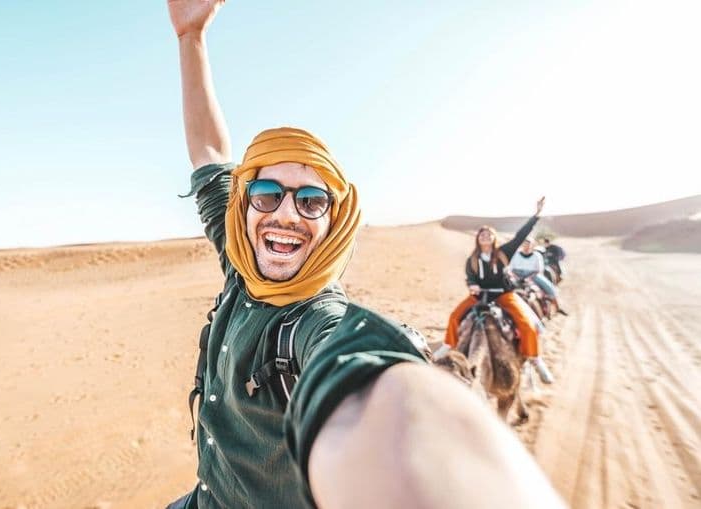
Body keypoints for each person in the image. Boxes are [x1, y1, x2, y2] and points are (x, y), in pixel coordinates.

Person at [166, 1, 564, 508]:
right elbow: (209, 155)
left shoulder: (314, 323)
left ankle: (535, 359)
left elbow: (366, 386)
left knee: (521, 318)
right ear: (243, 208)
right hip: (203, 499)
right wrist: (191, 38)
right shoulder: (241, 262)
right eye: (267, 194)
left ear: (334, 221)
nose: (285, 213)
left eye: (311, 201)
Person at [444, 205, 555, 384]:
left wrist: (536, 216)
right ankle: (448, 346)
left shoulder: (504, 253)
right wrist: (472, 285)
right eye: (482, 234)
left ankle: (536, 359)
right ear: (478, 239)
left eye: (489, 234)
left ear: (494, 238)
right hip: (480, 296)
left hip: (503, 295)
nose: (485, 236)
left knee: (527, 324)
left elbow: (520, 236)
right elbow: (470, 277)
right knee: (454, 317)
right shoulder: (472, 259)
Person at [510, 236, 568, 316]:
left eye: (529, 244)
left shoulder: (537, 255)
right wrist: (515, 276)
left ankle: (557, 307)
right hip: (517, 276)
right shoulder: (515, 255)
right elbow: (511, 268)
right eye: (525, 244)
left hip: (533, 276)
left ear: (532, 245)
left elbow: (539, 270)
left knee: (549, 288)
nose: (527, 246)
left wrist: (529, 278)